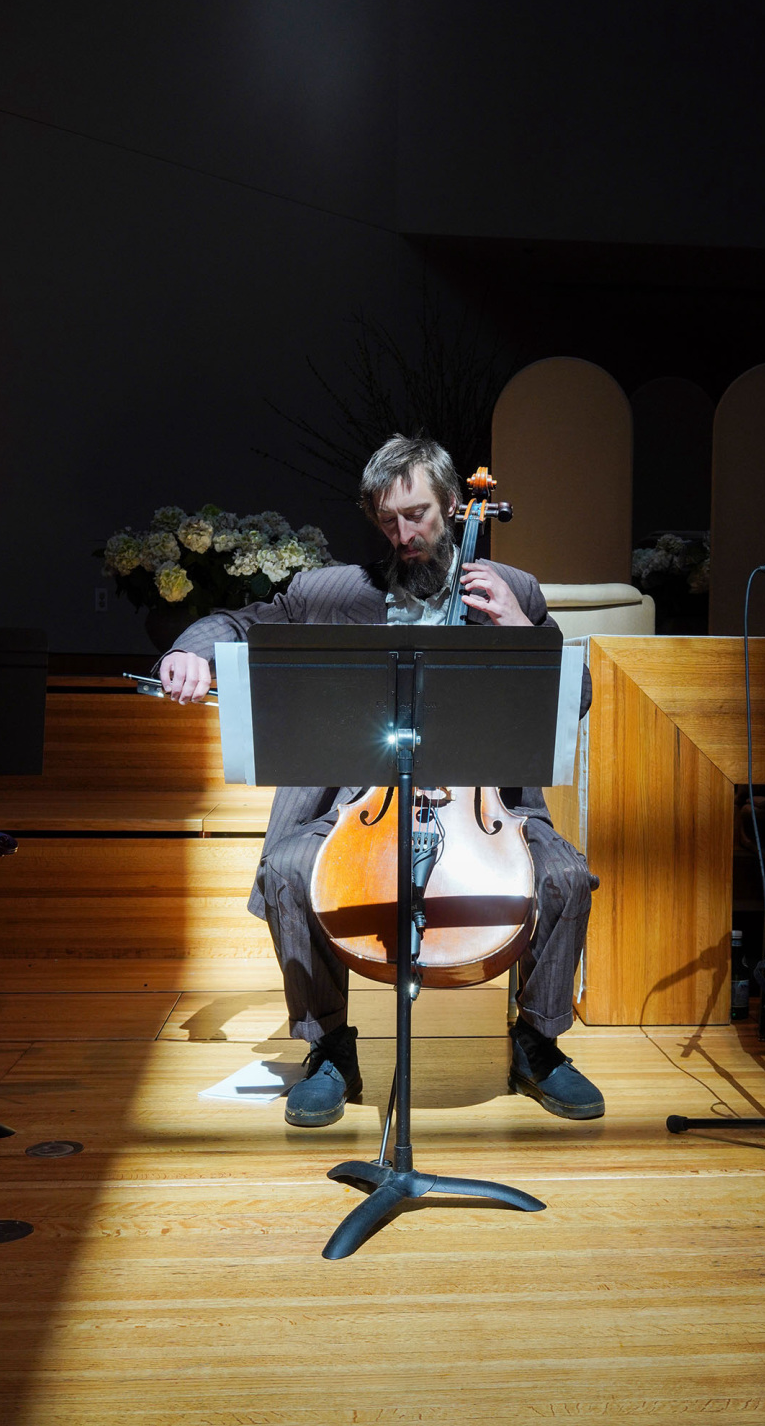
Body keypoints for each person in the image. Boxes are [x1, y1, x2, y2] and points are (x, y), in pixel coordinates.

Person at [159, 435, 603, 1128]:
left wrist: (525, 636)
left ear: (455, 505)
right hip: (359, 805)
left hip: (487, 808)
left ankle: (535, 1043)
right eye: (388, 520)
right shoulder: (327, 592)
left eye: (419, 515)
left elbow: (575, 702)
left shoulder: (512, 590)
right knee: (287, 869)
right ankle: (330, 1048)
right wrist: (192, 654)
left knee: (564, 876)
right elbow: (235, 622)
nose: (405, 535)